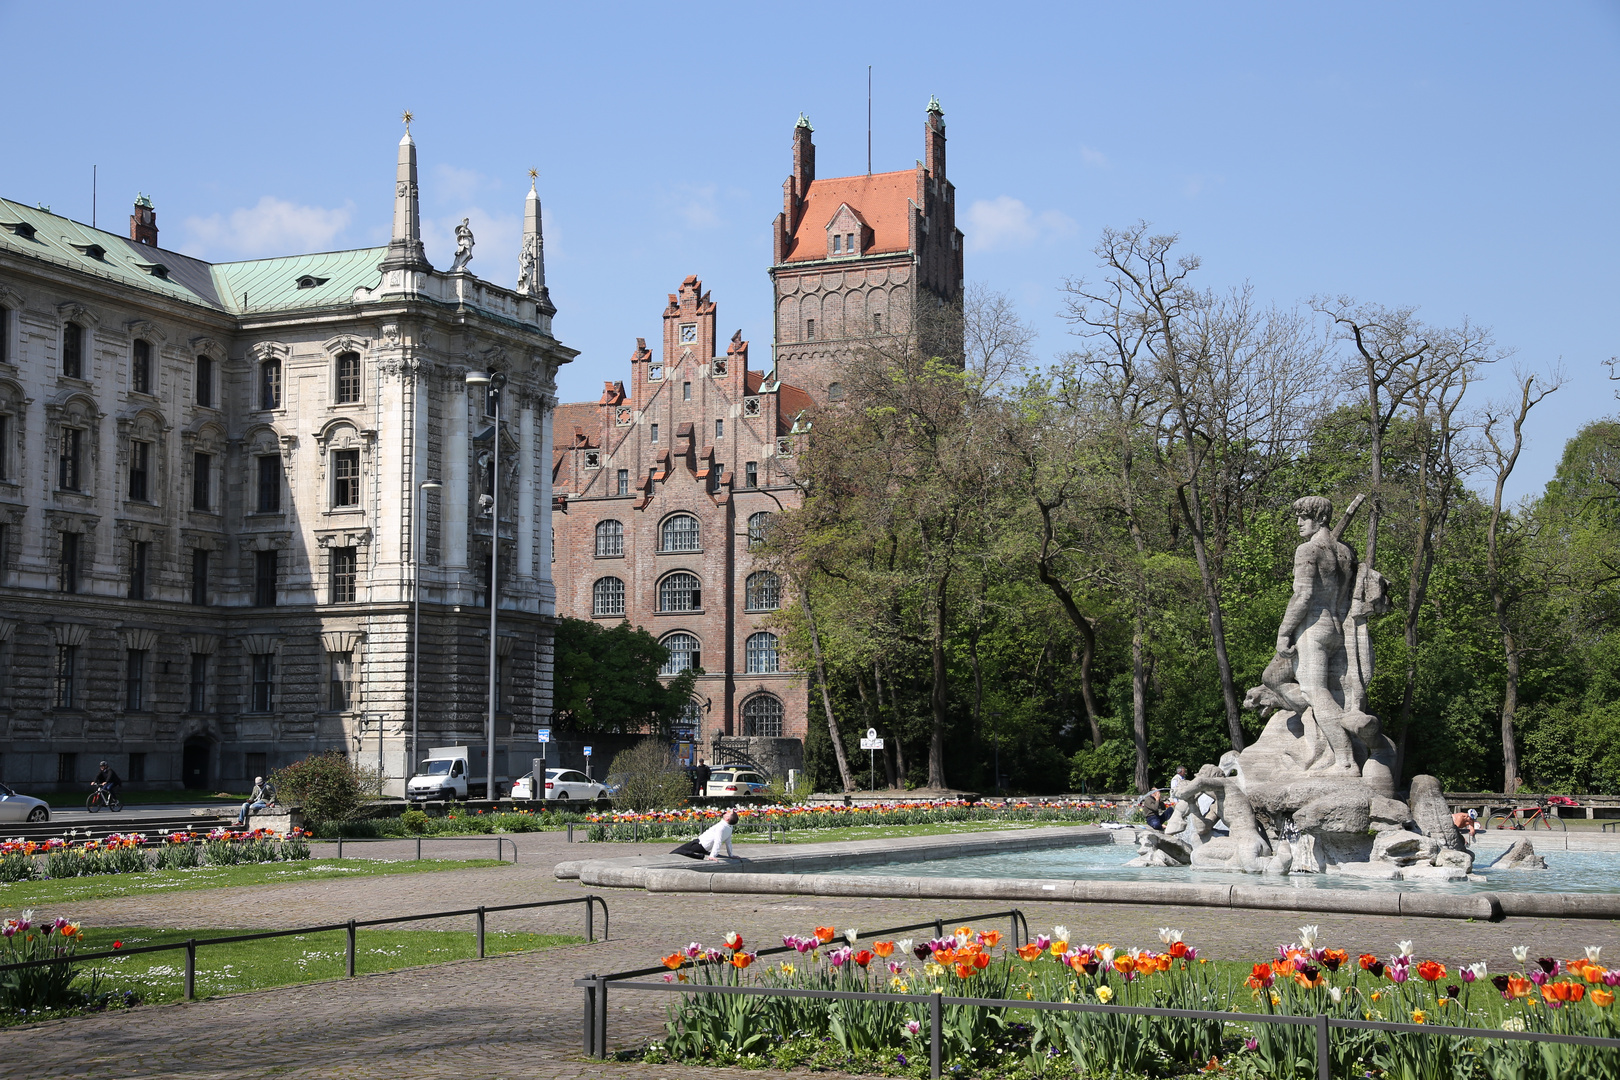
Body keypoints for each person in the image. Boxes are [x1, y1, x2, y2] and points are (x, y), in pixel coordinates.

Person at [670, 809, 740, 861]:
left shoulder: (721, 826)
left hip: (698, 845)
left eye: (729, 813)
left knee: (676, 852)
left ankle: (700, 856)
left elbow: (718, 841)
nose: (727, 812)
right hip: (703, 847)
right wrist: (730, 855)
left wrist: (712, 856)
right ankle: (700, 856)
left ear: (727, 819)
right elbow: (728, 842)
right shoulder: (729, 827)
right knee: (683, 852)